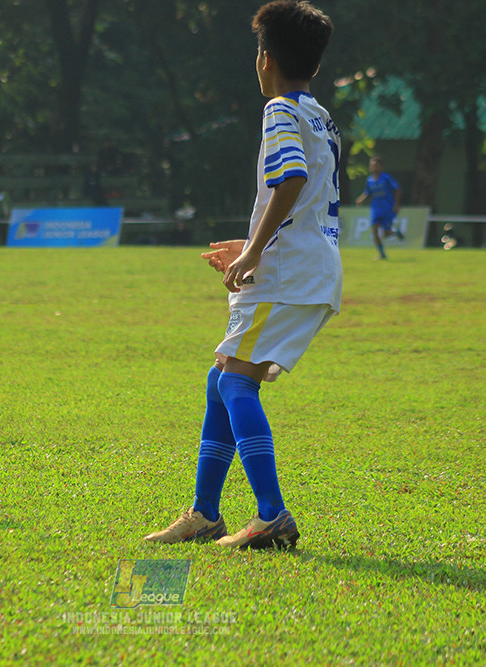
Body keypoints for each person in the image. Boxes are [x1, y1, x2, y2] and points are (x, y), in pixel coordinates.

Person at [144, 1, 340, 550]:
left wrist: (253, 253)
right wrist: (252, 242)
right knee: (222, 379)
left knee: (235, 382)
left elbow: (292, 180)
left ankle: (271, 516)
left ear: (265, 59)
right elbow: (308, 197)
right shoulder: (319, 114)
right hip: (309, 265)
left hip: (288, 274)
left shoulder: (278, 109)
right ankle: (206, 513)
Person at [356, 155, 402, 260]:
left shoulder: (386, 178)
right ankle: (382, 254)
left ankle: (395, 232)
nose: (373, 167)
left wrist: (396, 204)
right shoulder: (370, 180)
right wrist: (361, 199)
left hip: (387, 208)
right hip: (375, 208)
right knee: (374, 231)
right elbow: (368, 192)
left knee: (386, 233)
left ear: (381, 167)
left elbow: (397, 189)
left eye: (376, 165)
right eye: (372, 165)